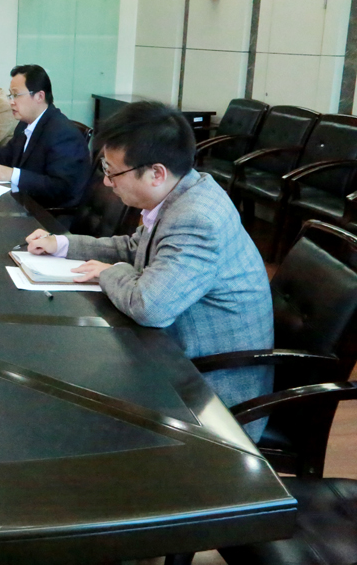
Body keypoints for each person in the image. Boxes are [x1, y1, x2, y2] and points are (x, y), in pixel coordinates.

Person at [22, 101, 274, 441]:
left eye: (113, 172)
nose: (107, 182)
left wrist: (109, 272)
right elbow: (134, 247)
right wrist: (62, 245)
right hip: (175, 356)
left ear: (156, 173)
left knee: (70, 406)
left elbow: (150, 306)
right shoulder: (183, 191)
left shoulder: (196, 219)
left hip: (213, 395)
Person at [0, 64, 91, 209]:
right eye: (10, 95)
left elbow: (61, 187)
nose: (11, 102)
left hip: (47, 214)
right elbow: (4, 156)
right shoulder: (24, 124)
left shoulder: (63, 133)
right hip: (23, 203)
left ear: (39, 96)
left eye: (16, 95)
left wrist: (13, 175)